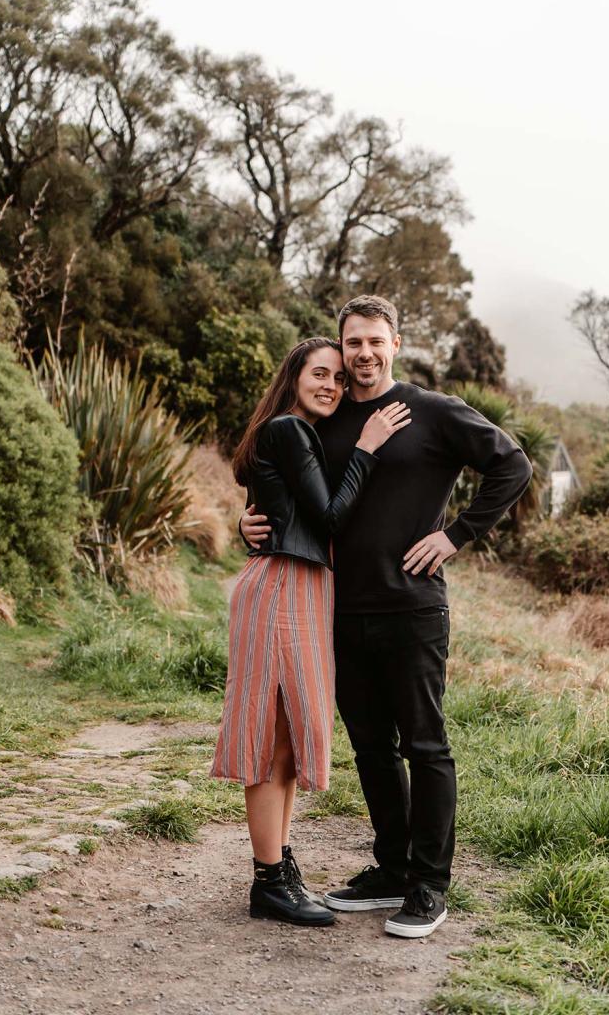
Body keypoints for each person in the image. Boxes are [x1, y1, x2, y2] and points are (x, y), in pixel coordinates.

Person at [241, 295, 533, 939]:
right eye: (353, 344)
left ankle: (429, 885)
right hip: (335, 610)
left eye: (375, 341)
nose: (363, 354)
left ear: (395, 342)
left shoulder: (431, 412)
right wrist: (250, 524)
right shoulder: (330, 414)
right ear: (341, 349)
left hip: (412, 608)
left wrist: (455, 535)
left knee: (426, 747)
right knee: (372, 748)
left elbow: (512, 465)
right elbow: (291, 492)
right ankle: (392, 869)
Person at [210, 335, 411, 928]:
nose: (331, 385)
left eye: (339, 379)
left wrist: (249, 521)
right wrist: (369, 448)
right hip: (281, 587)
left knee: (290, 747)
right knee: (272, 740)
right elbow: (327, 515)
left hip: (302, 586)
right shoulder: (289, 430)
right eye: (320, 374)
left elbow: (281, 505)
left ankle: (280, 865)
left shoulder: (299, 437)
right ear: (294, 377)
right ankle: (268, 881)